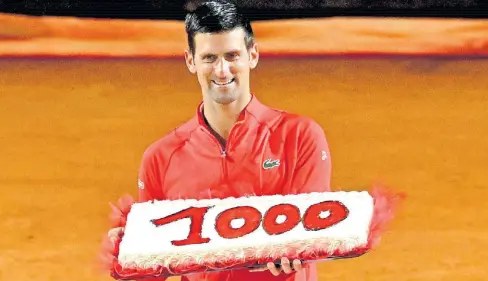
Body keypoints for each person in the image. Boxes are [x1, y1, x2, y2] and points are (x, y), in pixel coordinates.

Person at [106, 1, 332, 280]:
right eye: (210, 58)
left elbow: (311, 233)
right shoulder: (160, 158)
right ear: (191, 61)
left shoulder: (301, 137)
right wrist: (128, 255)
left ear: (253, 55)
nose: (222, 70)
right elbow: (154, 270)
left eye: (232, 56)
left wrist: (299, 249)